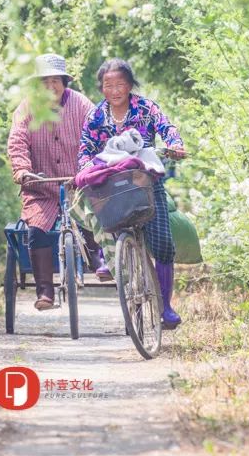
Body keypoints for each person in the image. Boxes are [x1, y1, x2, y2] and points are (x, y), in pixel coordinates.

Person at [78, 58, 186, 329]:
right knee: (99, 215)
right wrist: (85, 169)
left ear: (129, 85)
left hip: (145, 181)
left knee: (162, 243)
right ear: (101, 88)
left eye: (120, 84)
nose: (114, 90)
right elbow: (85, 149)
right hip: (112, 186)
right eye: (108, 85)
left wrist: (174, 144)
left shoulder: (146, 108)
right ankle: (107, 256)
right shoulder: (96, 116)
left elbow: (166, 127)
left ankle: (166, 307)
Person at [7, 54, 104, 310]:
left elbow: (98, 131)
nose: (51, 86)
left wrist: (96, 163)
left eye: (56, 81)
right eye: (45, 81)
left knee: (91, 215)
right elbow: (17, 141)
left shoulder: (80, 103)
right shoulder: (27, 108)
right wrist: (22, 170)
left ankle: (98, 259)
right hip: (41, 185)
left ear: (64, 82)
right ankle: (45, 292)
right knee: (36, 230)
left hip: (79, 183)